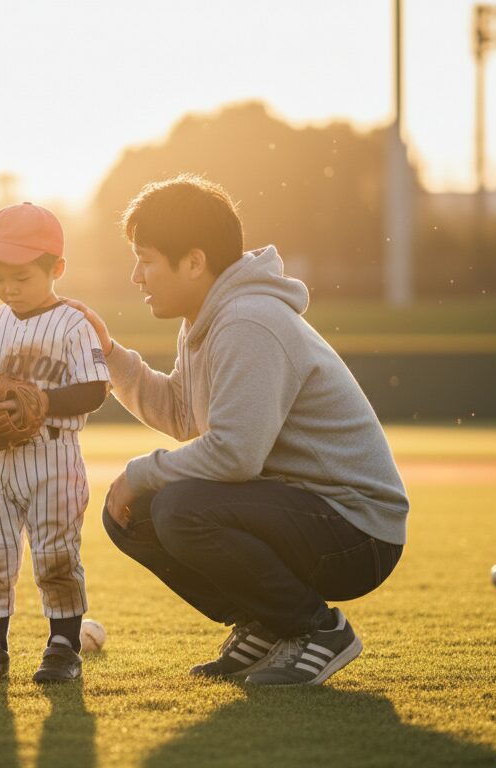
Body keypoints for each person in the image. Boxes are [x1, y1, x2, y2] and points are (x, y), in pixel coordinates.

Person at [65, 175, 407, 686]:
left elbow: (235, 455)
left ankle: (318, 630)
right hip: (305, 509)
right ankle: (269, 625)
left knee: (179, 507)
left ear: (195, 262)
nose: (137, 275)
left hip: (358, 531)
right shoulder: (207, 317)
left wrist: (141, 471)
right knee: (134, 515)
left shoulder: (248, 320)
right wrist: (110, 356)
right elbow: (184, 416)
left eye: (147, 259)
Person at [0, 202, 110, 684]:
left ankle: (63, 647)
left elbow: (95, 389)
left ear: (56, 268)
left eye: (21, 276)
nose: (9, 288)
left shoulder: (72, 325)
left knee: (55, 555)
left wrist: (39, 400)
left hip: (53, 457)